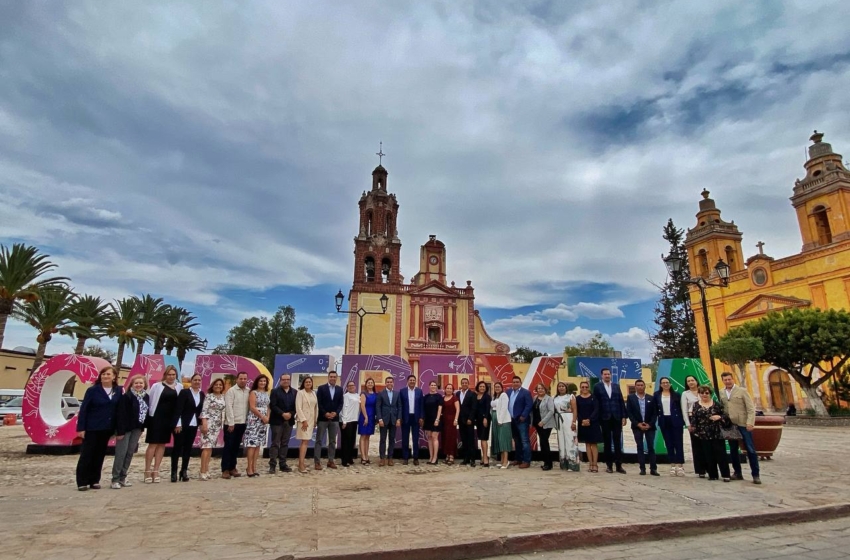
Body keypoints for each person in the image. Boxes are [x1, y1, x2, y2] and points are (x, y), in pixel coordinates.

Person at [76, 365, 123, 491]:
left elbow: (119, 410)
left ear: (114, 377)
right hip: (92, 427)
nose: (105, 376)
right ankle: (82, 481)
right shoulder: (93, 390)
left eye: (108, 374)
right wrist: (81, 428)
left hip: (107, 428)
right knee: (87, 454)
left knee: (99, 455)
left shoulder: (118, 391)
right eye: (103, 374)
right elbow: (84, 409)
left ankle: (94, 480)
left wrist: (118, 429)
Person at [719, 372, 760, 484]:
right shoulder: (722, 392)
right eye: (725, 380)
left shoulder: (742, 391)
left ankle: (755, 474)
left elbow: (750, 408)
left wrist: (750, 422)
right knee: (733, 450)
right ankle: (737, 472)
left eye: (729, 379)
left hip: (743, 423)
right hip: (731, 425)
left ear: (733, 379)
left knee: (750, 449)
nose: (727, 381)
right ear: (722, 381)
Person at [144, 365, 180, 483]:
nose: (171, 377)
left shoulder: (179, 387)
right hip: (156, 418)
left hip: (169, 420)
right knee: (153, 444)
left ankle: (156, 470)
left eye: (173, 375)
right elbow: (151, 402)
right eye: (169, 374)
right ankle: (147, 470)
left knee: (162, 445)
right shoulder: (157, 386)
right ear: (165, 375)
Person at [111, 374, 147, 489]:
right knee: (121, 454)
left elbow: (145, 414)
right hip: (125, 430)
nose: (138, 385)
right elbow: (121, 415)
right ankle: (115, 479)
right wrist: (120, 432)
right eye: (136, 383)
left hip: (137, 429)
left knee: (130, 453)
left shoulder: (146, 397)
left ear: (144, 385)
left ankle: (123, 477)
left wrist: (142, 428)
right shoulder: (126, 397)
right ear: (131, 384)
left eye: (141, 383)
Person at [690, 385, 731, 482]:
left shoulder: (716, 404)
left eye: (706, 393)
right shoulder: (696, 405)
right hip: (703, 434)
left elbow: (725, 416)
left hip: (716, 433)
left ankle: (726, 474)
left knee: (721, 454)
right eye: (702, 393)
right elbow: (694, 419)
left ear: (710, 394)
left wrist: (719, 417)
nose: (704, 395)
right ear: (699, 394)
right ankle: (713, 474)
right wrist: (694, 430)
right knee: (708, 454)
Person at [592, 368, 627, 474]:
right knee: (607, 443)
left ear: (611, 375)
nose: (607, 376)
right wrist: (597, 418)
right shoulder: (597, 387)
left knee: (617, 442)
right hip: (604, 417)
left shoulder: (616, 386)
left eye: (608, 374)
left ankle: (619, 465)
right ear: (601, 375)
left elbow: (621, 401)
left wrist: (624, 416)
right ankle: (609, 465)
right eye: (605, 374)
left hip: (616, 417)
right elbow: (596, 403)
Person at [171, 373, 205, 482]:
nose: (197, 382)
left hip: (194, 425)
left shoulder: (202, 394)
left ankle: (184, 470)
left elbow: (201, 410)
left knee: (188, 449)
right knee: (177, 448)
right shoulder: (184, 392)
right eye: (195, 380)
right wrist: (178, 423)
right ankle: (174, 472)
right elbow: (178, 408)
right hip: (182, 424)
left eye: (199, 380)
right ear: (191, 381)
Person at [626, 380, 659, 476]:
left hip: (650, 426)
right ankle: (642, 469)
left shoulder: (651, 398)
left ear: (645, 386)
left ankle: (653, 469)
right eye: (638, 385)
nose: (640, 387)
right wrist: (637, 424)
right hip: (637, 427)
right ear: (635, 387)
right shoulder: (631, 398)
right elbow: (630, 413)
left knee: (651, 447)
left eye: (642, 385)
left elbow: (655, 413)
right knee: (639, 447)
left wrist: (650, 424)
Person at [221, 371, 250, 479]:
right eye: (241, 378)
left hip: (242, 423)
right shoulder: (231, 391)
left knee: (236, 447)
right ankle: (225, 469)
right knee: (228, 447)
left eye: (245, 379)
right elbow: (228, 407)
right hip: (231, 424)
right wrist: (231, 423)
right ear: (237, 379)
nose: (243, 380)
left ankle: (233, 467)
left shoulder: (248, 391)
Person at [655, 377, 685, 476]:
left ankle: (680, 465)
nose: (665, 384)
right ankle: (672, 465)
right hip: (664, 421)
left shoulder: (676, 395)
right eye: (663, 383)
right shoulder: (657, 395)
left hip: (676, 421)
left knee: (678, 443)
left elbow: (681, 408)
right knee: (669, 444)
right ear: (660, 385)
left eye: (667, 382)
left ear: (670, 384)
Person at [268, 373, 297, 474]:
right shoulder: (275, 391)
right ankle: (272, 465)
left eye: (287, 379)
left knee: (285, 444)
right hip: (277, 421)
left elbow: (296, 407)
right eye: (284, 379)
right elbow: (273, 405)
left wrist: (290, 414)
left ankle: (283, 464)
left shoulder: (294, 392)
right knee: (275, 443)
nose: (286, 381)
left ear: (290, 380)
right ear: (280, 380)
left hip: (289, 421)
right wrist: (282, 414)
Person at [315, 370, 343, 470]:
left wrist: (336, 413)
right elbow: (319, 402)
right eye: (331, 376)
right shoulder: (321, 388)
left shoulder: (340, 389)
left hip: (334, 419)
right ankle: (317, 462)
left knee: (332, 441)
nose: (332, 378)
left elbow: (341, 403)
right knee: (319, 440)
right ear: (328, 377)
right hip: (323, 418)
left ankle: (331, 461)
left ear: (337, 378)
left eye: (334, 377)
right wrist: (325, 413)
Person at [199, 378, 226, 480]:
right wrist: (204, 424)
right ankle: (202, 470)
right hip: (209, 423)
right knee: (206, 447)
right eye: (216, 384)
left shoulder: (223, 397)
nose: (218, 386)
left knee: (210, 448)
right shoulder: (209, 397)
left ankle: (207, 469)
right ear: (212, 386)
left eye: (220, 385)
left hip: (217, 425)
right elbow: (204, 411)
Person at [244, 375, 270, 477]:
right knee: (252, 445)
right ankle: (249, 467)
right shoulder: (253, 393)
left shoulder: (266, 393)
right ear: (257, 382)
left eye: (264, 381)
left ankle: (254, 467)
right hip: (254, 421)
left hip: (263, 422)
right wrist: (262, 416)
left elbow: (268, 407)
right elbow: (252, 407)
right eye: (261, 381)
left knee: (258, 445)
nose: (263, 383)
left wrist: (267, 417)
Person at [681, 375, 706, 478]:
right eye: (688, 381)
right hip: (692, 420)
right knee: (697, 445)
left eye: (692, 380)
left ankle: (710, 467)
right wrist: (688, 423)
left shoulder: (703, 391)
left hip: (705, 419)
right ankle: (700, 470)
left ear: (696, 381)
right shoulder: (685, 394)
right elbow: (684, 409)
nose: (691, 382)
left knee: (706, 444)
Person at [506, 376, 533, 469]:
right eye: (514, 382)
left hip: (522, 420)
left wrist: (523, 416)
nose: (515, 383)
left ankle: (526, 461)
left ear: (520, 383)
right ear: (512, 383)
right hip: (512, 420)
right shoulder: (508, 392)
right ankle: (518, 459)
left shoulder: (526, 392)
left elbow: (529, 405)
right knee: (517, 441)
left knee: (525, 441)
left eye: (517, 382)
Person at [375, 376, 402, 466]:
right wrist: (380, 419)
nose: (389, 383)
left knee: (392, 440)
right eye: (388, 382)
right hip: (383, 419)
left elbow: (399, 407)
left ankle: (390, 458)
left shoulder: (397, 394)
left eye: (391, 382)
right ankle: (382, 458)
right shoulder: (381, 393)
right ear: (385, 383)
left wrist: (398, 419)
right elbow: (378, 407)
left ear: (393, 383)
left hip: (394, 420)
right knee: (383, 439)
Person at [575, 381, 601, 472]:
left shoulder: (594, 397)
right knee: (587, 444)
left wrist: (589, 419)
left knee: (594, 444)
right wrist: (582, 420)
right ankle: (590, 464)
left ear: (589, 387)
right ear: (580, 388)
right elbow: (576, 411)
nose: (584, 388)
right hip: (582, 423)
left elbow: (596, 410)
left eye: (586, 387)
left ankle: (595, 464)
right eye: (583, 387)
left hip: (593, 423)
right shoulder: (577, 398)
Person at [295, 376, 318, 474]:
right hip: (303, 421)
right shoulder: (300, 393)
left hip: (311, 421)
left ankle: (302, 463)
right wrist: (304, 420)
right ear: (303, 383)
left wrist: (315, 420)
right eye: (306, 382)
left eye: (310, 382)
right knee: (304, 442)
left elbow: (316, 407)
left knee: (306, 442)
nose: (308, 383)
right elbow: (298, 407)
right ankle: (300, 464)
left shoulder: (314, 393)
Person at [399, 374, 424, 465]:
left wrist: (421, 417)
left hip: (416, 418)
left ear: (415, 381)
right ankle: (405, 458)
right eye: (410, 380)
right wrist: (400, 417)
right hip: (405, 417)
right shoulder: (402, 391)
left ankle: (415, 458)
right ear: (407, 381)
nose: (412, 381)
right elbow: (400, 406)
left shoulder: (419, 391)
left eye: (414, 380)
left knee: (415, 438)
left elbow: (421, 405)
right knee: (405, 438)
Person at [553, 382, 578, 471]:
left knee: (570, 439)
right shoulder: (555, 398)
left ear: (566, 388)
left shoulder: (570, 396)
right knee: (561, 440)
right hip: (559, 418)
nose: (561, 388)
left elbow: (574, 410)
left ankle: (572, 463)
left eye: (563, 386)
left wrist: (574, 422)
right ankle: (563, 463)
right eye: (559, 386)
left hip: (568, 417)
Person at [533, 383, 555, 470]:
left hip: (546, 424)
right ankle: (545, 461)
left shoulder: (549, 399)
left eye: (542, 388)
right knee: (542, 443)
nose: (540, 390)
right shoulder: (535, 398)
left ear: (545, 389)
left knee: (544, 442)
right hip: (537, 424)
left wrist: (543, 421)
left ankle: (549, 463)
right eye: (538, 388)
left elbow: (551, 411)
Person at [490, 381, 512, 469]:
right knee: (499, 440)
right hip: (495, 419)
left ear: (502, 388)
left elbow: (504, 408)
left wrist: (500, 420)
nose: (497, 388)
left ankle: (506, 461)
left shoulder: (504, 395)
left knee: (504, 440)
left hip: (503, 421)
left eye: (498, 387)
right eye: (495, 387)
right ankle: (502, 460)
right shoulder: (495, 396)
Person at [457, 378, 478, 466]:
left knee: (470, 440)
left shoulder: (472, 394)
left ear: (468, 384)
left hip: (469, 421)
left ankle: (472, 459)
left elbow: (474, 407)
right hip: (461, 420)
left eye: (466, 383)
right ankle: (466, 458)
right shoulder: (457, 394)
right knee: (464, 440)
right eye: (463, 383)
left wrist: (471, 418)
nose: (464, 384)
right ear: (461, 384)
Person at [340, 381, 360, 467]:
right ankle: (344, 460)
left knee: (352, 440)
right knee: (346, 441)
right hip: (346, 421)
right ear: (347, 387)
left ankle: (349, 458)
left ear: (355, 386)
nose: (351, 386)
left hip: (354, 420)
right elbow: (345, 408)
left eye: (353, 385)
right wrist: (344, 421)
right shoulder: (346, 396)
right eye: (349, 385)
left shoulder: (357, 395)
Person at [422, 381, 443, 465]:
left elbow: (440, 408)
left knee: (435, 437)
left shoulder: (439, 396)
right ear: (429, 386)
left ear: (436, 387)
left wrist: (437, 419)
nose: (433, 386)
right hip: (428, 420)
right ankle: (430, 457)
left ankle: (435, 457)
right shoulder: (426, 397)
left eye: (435, 385)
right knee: (429, 438)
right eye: (432, 385)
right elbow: (423, 408)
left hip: (436, 419)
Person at [358, 378, 377, 465]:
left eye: (371, 382)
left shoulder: (375, 394)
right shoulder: (363, 393)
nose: (370, 384)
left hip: (372, 416)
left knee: (368, 437)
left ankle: (367, 455)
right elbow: (362, 406)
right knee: (363, 436)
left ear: (373, 384)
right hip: (365, 416)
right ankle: (363, 457)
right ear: (366, 384)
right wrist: (366, 417)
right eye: (368, 382)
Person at [440, 383, 460, 464]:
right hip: (444, 421)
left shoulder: (455, 398)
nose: (448, 389)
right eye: (447, 388)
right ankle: (447, 455)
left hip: (452, 421)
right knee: (445, 438)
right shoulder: (443, 398)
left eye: (450, 388)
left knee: (451, 438)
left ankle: (451, 455)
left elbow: (458, 410)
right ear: (445, 389)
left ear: (452, 390)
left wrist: (456, 419)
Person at [475, 381, 492, 467]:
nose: (482, 388)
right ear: (478, 387)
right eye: (480, 386)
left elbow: (487, 408)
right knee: (480, 439)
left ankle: (486, 458)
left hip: (485, 420)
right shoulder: (476, 396)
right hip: (478, 420)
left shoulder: (487, 397)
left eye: (483, 387)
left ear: (486, 388)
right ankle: (482, 457)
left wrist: (485, 418)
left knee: (484, 438)